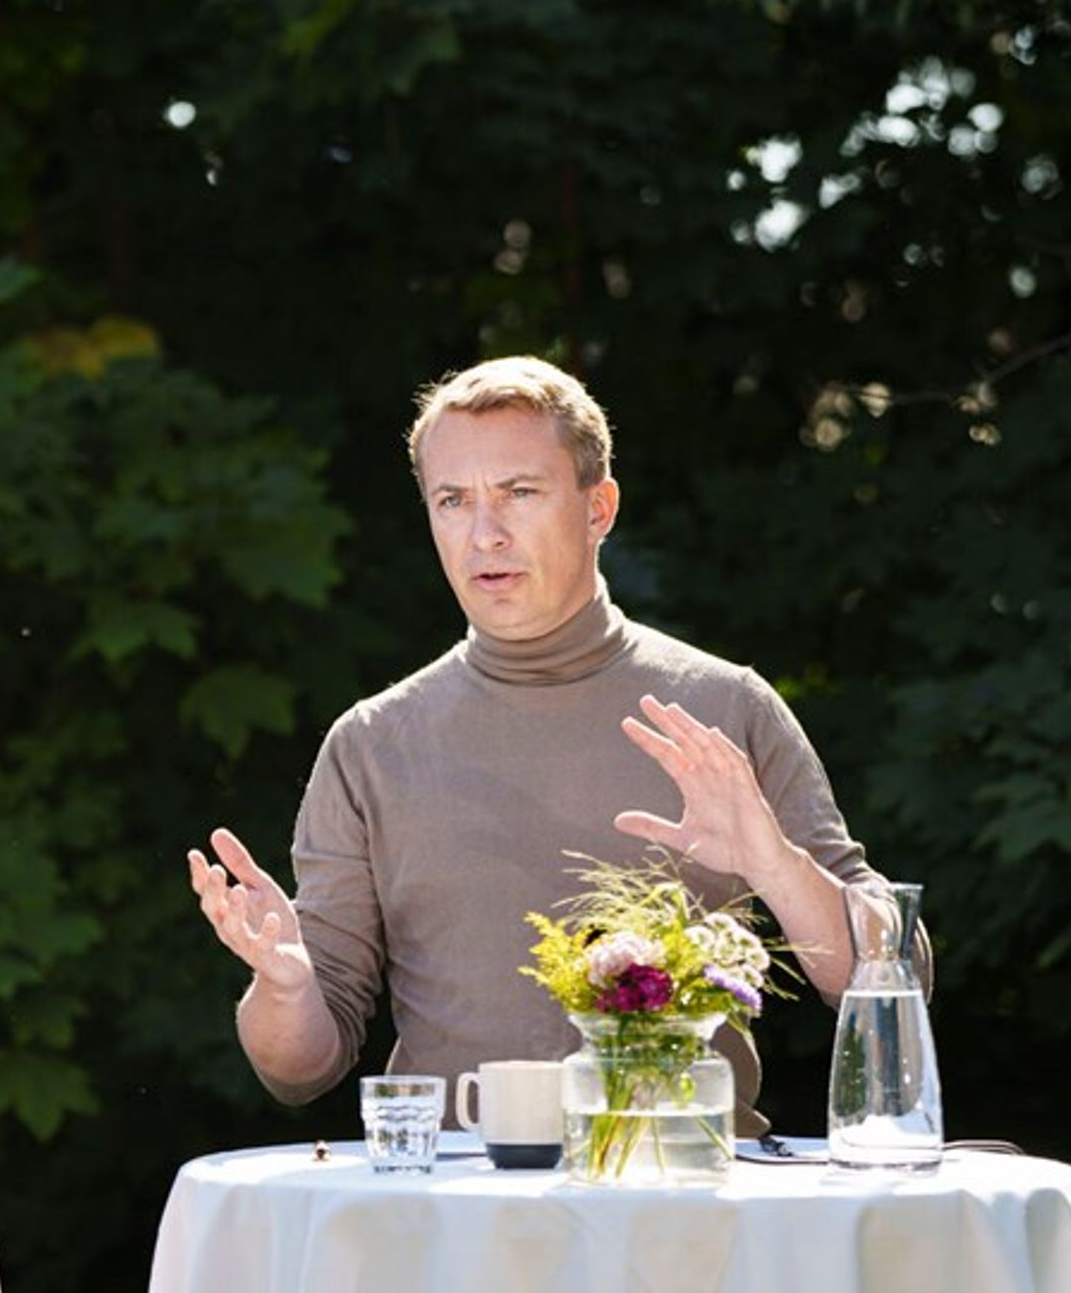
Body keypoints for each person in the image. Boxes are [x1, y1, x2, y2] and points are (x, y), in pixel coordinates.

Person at [186, 355, 908, 1133]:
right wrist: (288, 987)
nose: (484, 534)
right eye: (453, 500)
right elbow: (298, 1070)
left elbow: (886, 978)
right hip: (455, 1208)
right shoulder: (373, 744)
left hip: (684, 1192)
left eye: (519, 493)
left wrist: (774, 862)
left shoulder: (724, 707)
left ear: (599, 508)